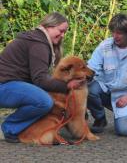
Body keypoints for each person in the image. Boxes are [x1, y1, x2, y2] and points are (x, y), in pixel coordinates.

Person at [0, 12, 83, 143]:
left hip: (9, 85)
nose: (63, 35)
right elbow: (40, 80)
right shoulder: (38, 44)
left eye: (64, 32)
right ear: (49, 26)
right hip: (4, 86)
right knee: (44, 101)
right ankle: (9, 128)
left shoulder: (38, 39)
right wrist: (67, 86)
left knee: (46, 97)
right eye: (61, 31)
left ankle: (24, 127)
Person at [87, 13, 127, 136]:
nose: (115, 36)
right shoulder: (104, 46)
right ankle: (100, 119)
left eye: (119, 33)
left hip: (126, 94)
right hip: (106, 89)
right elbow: (92, 68)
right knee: (88, 89)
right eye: (113, 32)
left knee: (124, 130)